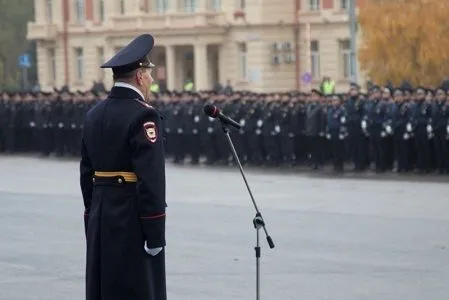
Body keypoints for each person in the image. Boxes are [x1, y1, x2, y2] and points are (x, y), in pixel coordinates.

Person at [79, 34, 167, 300]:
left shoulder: (93, 114)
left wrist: (91, 217)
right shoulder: (144, 114)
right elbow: (151, 180)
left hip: (100, 215)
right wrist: (154, 233)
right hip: (131, 218)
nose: (152, 80)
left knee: (104, 287)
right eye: (149, 75)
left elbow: (86, 173)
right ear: (140, 76)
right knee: (137, 288)